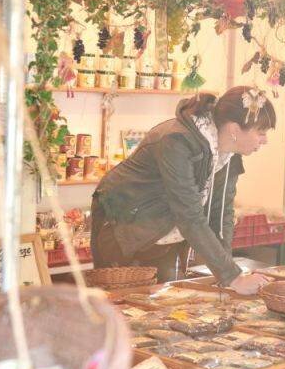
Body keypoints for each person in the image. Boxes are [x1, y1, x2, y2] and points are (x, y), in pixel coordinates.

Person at [90, 86, 273, 295]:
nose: (265, 140)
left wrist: (228, 274)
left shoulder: (229, 153)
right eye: (261, 132)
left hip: (164, 233)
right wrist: (234, 277)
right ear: (234, 129)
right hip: (124, 227)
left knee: (163, 304)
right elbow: (189, 214)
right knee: (121, 308)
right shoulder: (176, 141)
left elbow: (220, 215)